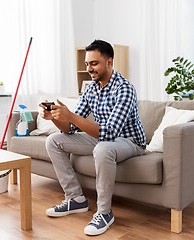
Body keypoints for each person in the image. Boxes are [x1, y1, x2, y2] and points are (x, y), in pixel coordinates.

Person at [39, 39, 146, 236]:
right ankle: (76, 199)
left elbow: (110, 132)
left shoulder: (124, 88)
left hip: (129, 141)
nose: (89, 68)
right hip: (103, 140)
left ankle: (104, 213)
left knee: (103, 148)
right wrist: (55, 117)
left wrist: (71, 115)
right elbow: (70, 128)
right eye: (87, 64)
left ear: (109, 62)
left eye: (94, 63)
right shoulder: (91, 89)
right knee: (53, 140)